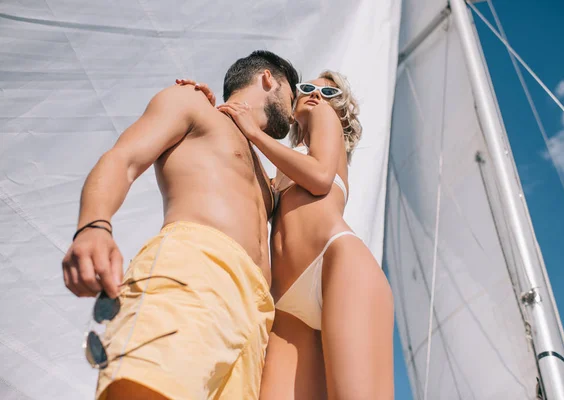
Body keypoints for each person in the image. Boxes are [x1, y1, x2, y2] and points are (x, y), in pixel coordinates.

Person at [61, 50, 299, 400]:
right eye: (292, 98)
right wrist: (93, 225)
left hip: (254, 318)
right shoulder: (193, 103)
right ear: (268, 78)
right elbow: (124, 158)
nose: (293, 116)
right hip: (195, 270)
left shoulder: (267, 174)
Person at [192, 71, 395, 399]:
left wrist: (254, 135)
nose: (317, 96)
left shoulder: (323, 120)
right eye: (309, 88)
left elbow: (319, 178)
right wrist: (211, 113)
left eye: (329, 93)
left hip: (337, 264)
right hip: (286, 299)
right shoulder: (283, 164)